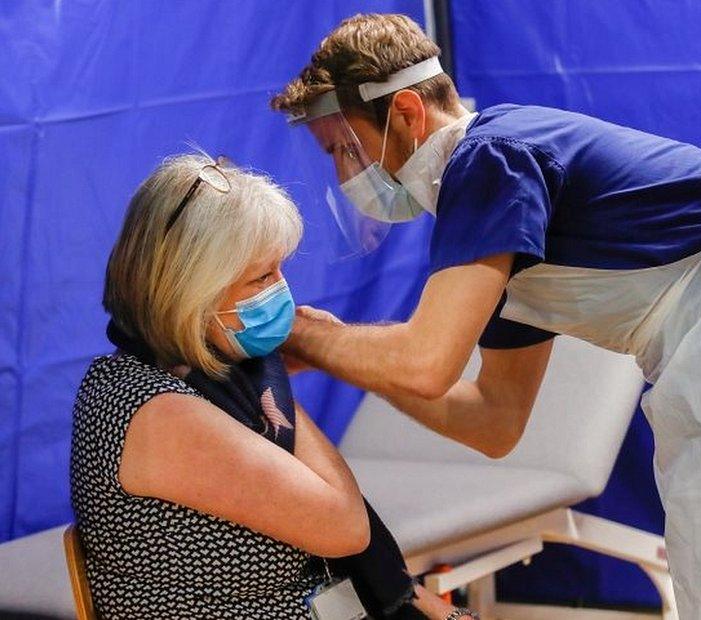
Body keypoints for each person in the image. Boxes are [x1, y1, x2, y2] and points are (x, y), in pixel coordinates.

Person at [271, 13, 701, 620]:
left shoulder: (489, 158)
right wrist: (346, 356)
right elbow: (493, 421)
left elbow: (424, 360)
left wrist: (300, 331)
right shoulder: (499, 222)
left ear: (407, 113)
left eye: (344, 149)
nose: (344, 173)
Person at [70, 153, 476, 619]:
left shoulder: (209, 381)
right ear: (189, 294)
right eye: (261, 277)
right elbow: (345, 527)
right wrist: (274, 378)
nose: (282, 292)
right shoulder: (157, 409)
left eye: (279, 270)